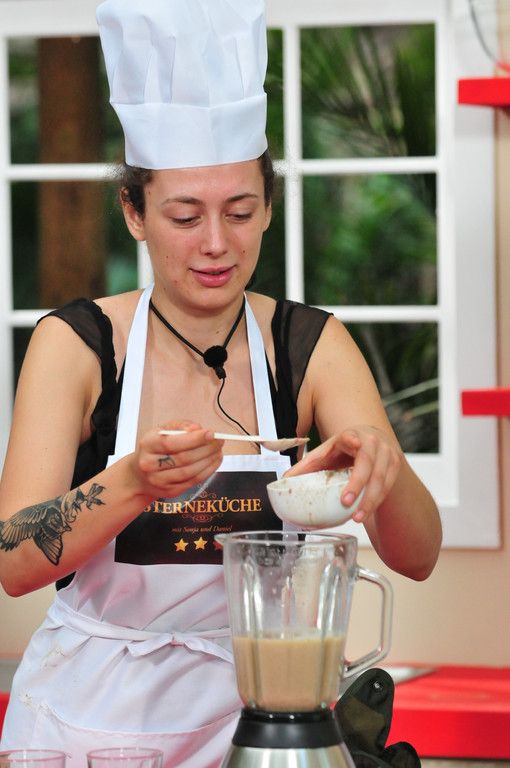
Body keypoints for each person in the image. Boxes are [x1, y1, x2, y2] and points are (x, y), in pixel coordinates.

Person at [0, 1, 442, 766]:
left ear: (268, 209)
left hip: (267, 715)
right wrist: (133, 482)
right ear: (133, 212)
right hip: (92, 719)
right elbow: (12, 561)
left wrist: (382, 465)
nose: (215, 244)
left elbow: (418, 555)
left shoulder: (310, 346)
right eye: (184, 216)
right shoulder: (75, 345)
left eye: (240, 212)